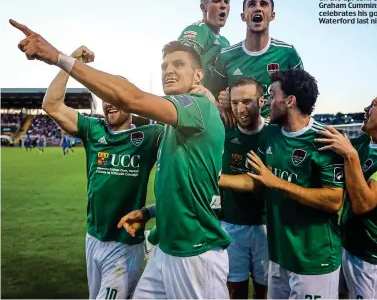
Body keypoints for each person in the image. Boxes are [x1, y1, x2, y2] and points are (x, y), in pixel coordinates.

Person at [11, 19, 231, 299]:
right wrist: (149, 212)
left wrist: (59, 57)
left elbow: (132, 99)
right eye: (164, 66)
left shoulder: (192, 111)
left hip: (194, 252)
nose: (168, 71)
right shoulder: (166, 127)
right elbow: (179, 187)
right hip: (163, 246)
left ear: (199, 76)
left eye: (178, 65)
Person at [41, 45, 163, 299]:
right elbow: (51, 105)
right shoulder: (93, 129)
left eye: (116, 96)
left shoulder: (151, 135)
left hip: (125, 243)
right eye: (105, 97)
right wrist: (69, 61)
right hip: (93, 238)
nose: (109, 103)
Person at [219, 69, 345, 299]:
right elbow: (256, 174)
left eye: (271, 95)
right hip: (279, 255)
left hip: (313, 258)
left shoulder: (324, 140)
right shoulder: (272, 134)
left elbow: (335, 201)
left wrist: (276, 183)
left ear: (289, 101)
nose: (267, 101)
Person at [315, 87, 377, 299]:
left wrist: (350, 154)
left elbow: (363, 204)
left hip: (373, 258)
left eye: (374, 105)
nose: (366, 108)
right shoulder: (362, 143)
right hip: (346, 244)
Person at [212, 0, 303, 118]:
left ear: (272, 15)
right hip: (238, 135)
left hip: (275, 134)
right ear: (243, 16)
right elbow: (213, 96)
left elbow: (303, 98)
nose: (258, 8)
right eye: (251, 4)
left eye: (264, 4)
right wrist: (221, 104)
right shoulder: (226, 56)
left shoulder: (288, 53)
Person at [219, 77, 269, 299]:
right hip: (231, 224)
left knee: (266, 290)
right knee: (233, 290)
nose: (241, 109)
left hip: (267, 226)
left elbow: (259, 184)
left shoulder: (275, 134)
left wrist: (214, 178)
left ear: (261, 101)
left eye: (247, 101)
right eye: (235, 102)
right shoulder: (223, 133)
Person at [179, 0, 230, 91]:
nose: (223, 6)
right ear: (203, 7)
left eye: (226, 1)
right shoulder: (197, 30)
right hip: (196, 100)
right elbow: (181, 65)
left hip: (215, 103)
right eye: (217, 1)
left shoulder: (225, 42)